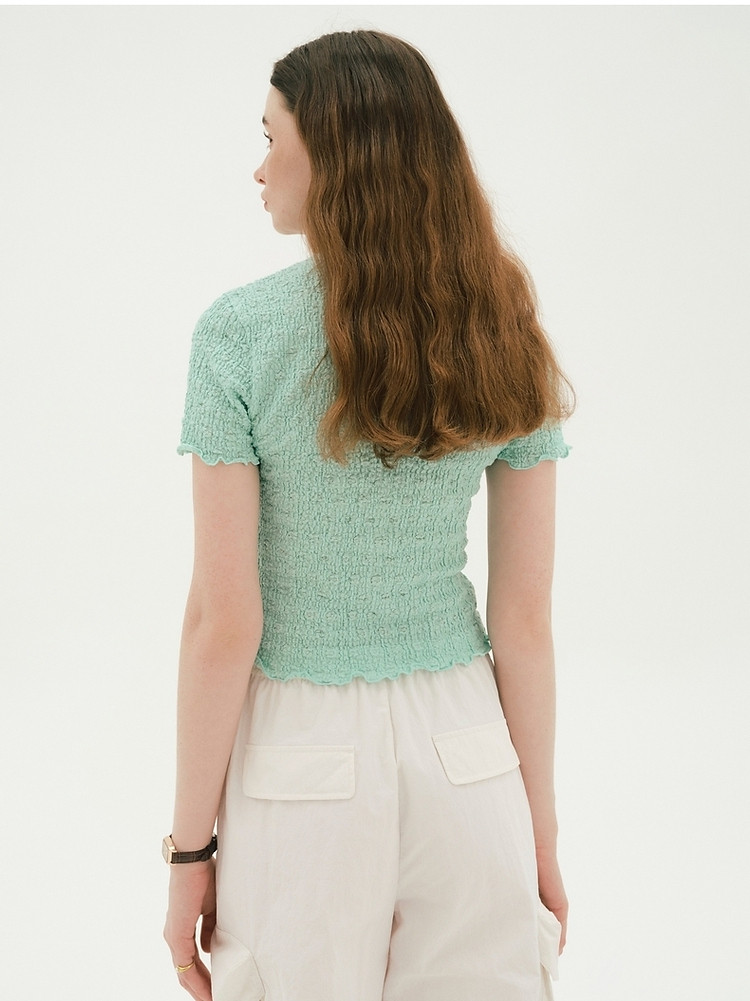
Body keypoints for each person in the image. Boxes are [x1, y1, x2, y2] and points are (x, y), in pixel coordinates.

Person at [163, 29, 572, 1001]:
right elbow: (523, 621)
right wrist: (538, 830)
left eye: (273, 138)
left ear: (333, 154)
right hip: (471, 753)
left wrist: (188, 852)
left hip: (302, 762)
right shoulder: (502, 321)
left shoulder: (239, 333)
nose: (259, 167)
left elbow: (224, 622)